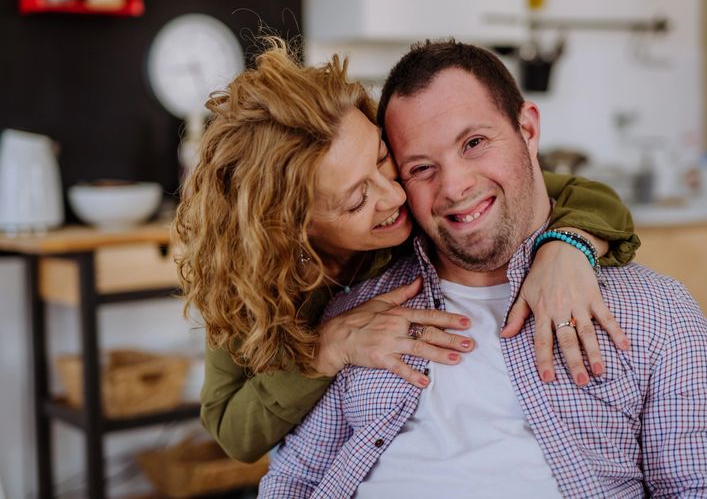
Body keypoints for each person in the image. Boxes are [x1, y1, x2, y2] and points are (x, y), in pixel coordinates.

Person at [259, 39, 707, 498]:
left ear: (529, 129)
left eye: (474, 142)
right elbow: (293, 479)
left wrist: (570, 243)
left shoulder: (658, 314)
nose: (454, 185)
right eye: (420, 167)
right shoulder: (357, 317)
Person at [174, 37, 641, 464]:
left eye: (382, 157)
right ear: (291, 229)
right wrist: (326, 350)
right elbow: (231, 431)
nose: (395, 197)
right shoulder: (250, 279)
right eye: (358, 199)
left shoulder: (422, 199)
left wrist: (568, 246)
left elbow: (583, 195)